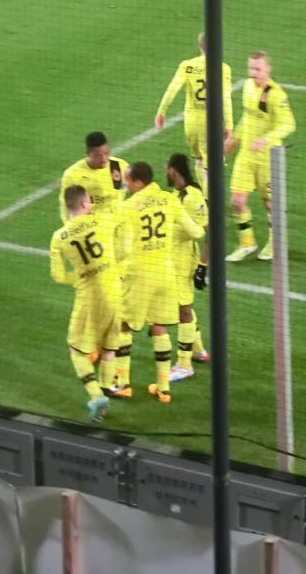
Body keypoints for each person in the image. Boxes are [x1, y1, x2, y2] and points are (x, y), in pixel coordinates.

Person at [112, 161, 205, 403]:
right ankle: (163, 388)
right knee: (159, 326)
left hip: (138, 275)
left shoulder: (128, 207)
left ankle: (122, 383)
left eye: (128, 180)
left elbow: (123, 249)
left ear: (138, 182)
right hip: (165, 273)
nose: (125, 184)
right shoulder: (169, 199)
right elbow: (197, 232)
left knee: (123, 325)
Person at [49, 185, 123, 422]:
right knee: (109, 348)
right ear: (84, 203)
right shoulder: (102, 220)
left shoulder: (59, 237)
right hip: (115, 292)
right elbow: (122, 220)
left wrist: (80, 277)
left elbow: (57, 276)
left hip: (89, 298)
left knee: (77, 350)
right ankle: (106, 390)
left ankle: (96, 395)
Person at [225, 52, 296, 262]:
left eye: (257, 69)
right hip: (246, 156)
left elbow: (289, 124)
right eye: (251, 68)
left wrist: (266, 139)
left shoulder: (276, 95)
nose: (253, 73)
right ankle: (247, 243)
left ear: (268, 69)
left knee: (270, 204)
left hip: (268, 159)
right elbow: (247, 118)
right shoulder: (247, 86)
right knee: (237, 201)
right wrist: (232, 141)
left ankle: (275, 244)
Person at [154, 32, 233, 193]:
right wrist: (229, 124)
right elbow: (225, 97)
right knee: (213, 164)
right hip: (211, 121)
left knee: (199, 159)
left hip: (191, 122)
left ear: (200, 46)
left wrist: (161, 112)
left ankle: (205, 196)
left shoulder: (187, 66)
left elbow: (172, 89)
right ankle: (210, 200)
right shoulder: (223, 68)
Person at [166, 153, 210, 382]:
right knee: (182, 308)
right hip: (173, 261)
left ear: (173, 170)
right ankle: (197, 349)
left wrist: (203, 265)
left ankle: (184, 365)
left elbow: (211, 231)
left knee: (183, 310)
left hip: (183, 264)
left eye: (167, 168)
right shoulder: (176, 194)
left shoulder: (193, 197)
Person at [59, 131, 128, 223]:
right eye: (98, 155)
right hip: (93, 226)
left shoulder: (120, 166)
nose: (104, 159)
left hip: (118, 222)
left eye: (107, 153)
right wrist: (70, 228)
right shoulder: (73, 175)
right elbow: (66, 208)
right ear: (88, 153)